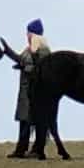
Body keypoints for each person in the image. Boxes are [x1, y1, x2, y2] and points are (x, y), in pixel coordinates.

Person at [12, 19, 53, 159]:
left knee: (36, 120)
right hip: (25, 90)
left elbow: (41, 67)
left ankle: (37, 148)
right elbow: (22, 60)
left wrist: (26, 68)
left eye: (29, 33)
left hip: (36, 91)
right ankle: (20, 149)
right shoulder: (28, 49)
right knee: (24, 120)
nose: (27, 35)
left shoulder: (43, 50)